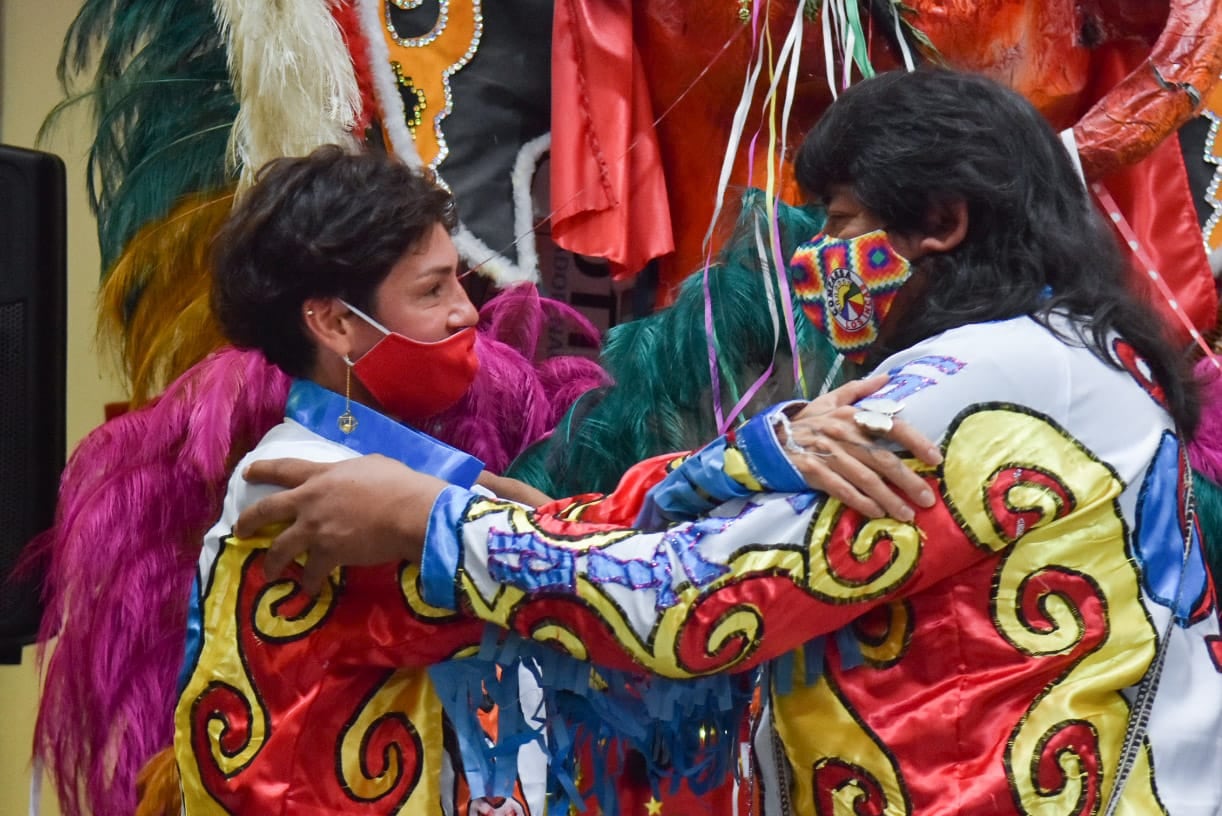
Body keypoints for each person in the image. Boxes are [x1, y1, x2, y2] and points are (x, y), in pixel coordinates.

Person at [236, 69, 1222, 814]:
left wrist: (434, 526)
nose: (814, 258)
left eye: (837, 221)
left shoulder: (972, 386)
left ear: (941, 223)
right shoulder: (1080, 358)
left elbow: (700, 600)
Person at [172, 143, 941, 814]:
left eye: (459, 286)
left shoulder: (398, 476)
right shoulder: (300, 486)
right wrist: (749, 458)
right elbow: (560, 566)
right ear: (335, 323)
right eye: (431, 291)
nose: (465, 315)